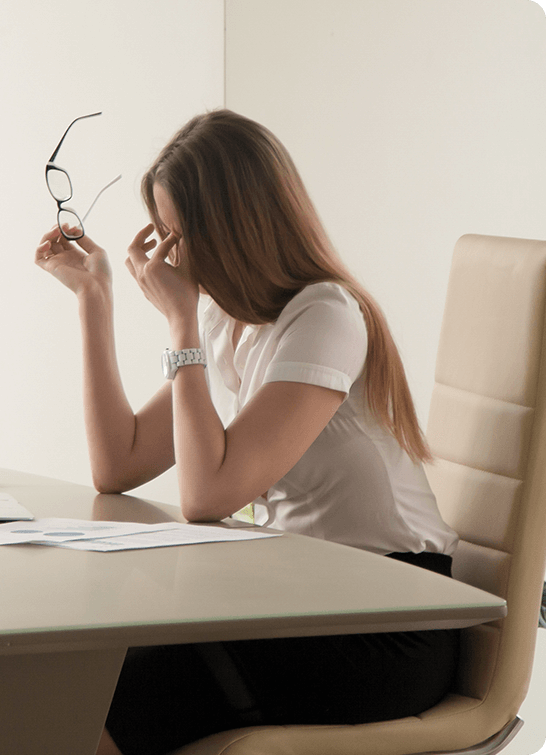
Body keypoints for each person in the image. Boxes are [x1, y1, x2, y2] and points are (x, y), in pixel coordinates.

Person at [35, 109, 459, 755]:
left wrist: (180, 324)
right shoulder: (229, 321)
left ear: (234, 226)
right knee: (96, 669)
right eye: (164, 235)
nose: (169, 256)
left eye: (179, 235)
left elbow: (207, 497)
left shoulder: (324, 314)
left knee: (116, 690)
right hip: (304, 599)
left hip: (388, 618)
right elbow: (116, 465)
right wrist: (94, 299)